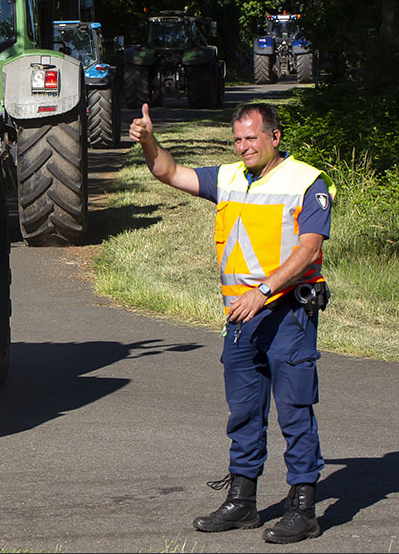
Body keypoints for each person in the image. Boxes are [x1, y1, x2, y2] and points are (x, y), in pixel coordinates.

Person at [128, 101, 335, 544]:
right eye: (237, 139)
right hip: (241, 319)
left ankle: (303, 508)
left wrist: (263, 293)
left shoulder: (307, 182)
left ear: (274, 138)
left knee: (295, 410)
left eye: (251, 138)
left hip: (287, 313)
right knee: (244, 413)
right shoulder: (228, 178)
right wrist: (149, 142)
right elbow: (169, 172)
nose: (243, 147)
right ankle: (243, 502)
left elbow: (308, 251)